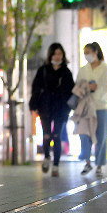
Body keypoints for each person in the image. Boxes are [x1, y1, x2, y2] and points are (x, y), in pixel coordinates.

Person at [29, 43, 74, 177]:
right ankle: (47, 157)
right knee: (47, 134)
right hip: (45, 106)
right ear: (50, 55)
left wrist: (68, 107)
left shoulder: (66, 72)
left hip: (60, 108)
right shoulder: (43, 70)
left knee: (57, 135)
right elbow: (36, 88)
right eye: (55, 53)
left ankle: (55, 165)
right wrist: (34, 105)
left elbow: (71, 90)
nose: (57, 56)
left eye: (60, 53)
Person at [75, 42, 107, 177]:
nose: (87, 55)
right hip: (86, 107)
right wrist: (87, 87)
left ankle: (99, 164)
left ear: (96, 52)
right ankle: (87, 162)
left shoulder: (105, 68)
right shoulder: (83, 70)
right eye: (85, 53)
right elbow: (77, 87)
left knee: (101, 136)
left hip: (101, 106)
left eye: (89, 52)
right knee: (84, 134)